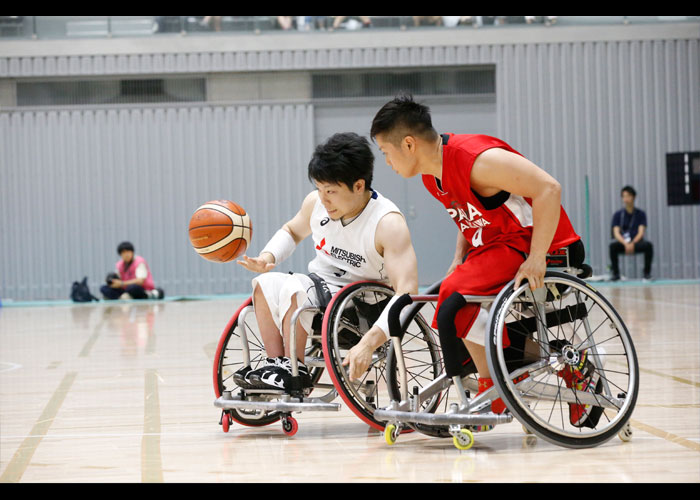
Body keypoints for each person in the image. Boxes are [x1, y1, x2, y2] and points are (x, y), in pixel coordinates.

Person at [358, 93, 599, 427]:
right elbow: (469, 216)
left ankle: (493, 390)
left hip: (540, 244)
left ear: (409, 144)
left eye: (386, 153)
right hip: (499, 247)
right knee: (450, 294)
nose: (386, 162)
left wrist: (537, 257)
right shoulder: (432, 175)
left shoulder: (477, 159)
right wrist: (458, 257)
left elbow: (549, 189)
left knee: (453, 299)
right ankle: (536, 369)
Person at [234, 132, 418, 392]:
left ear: (358, 185)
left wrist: (369, 343)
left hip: (362, 309)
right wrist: (268, 257)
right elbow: (292, 230)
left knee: (297, 287)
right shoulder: (316, 203)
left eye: (330, 191)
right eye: (319, 189)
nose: (323, 198)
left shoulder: (388, 223)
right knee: (264, 283)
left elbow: (407, 291)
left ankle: (293, 368)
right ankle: (275, 364)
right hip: (321, 294)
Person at [609, 185, 654, 281]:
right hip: (623, 243)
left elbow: (641, 232)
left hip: (636, 242)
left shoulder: (641, 214)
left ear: (633, 197)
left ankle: (647, 274)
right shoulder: (618, 215)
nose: (625, 199)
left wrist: (633, 243)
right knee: (612, 247)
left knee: (648, 246)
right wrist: (625, 243)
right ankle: (616, 274)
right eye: (623, 196)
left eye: (628, 196)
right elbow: (616, 233)